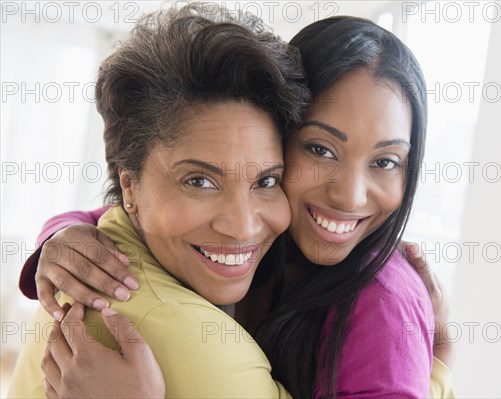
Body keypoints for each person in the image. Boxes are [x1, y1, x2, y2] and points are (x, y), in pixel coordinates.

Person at [18, 9, 456, 399]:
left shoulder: (382, 307)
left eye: (385, 161)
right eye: (321, 150)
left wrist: (436, 373)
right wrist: (60, 234)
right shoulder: (278, 243)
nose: (350, 195)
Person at [8, 3, 309, 398]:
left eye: (266, 180)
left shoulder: (105, 247)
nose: (244, 226)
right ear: (129, 186)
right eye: (200, 181)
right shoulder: (205, 350)